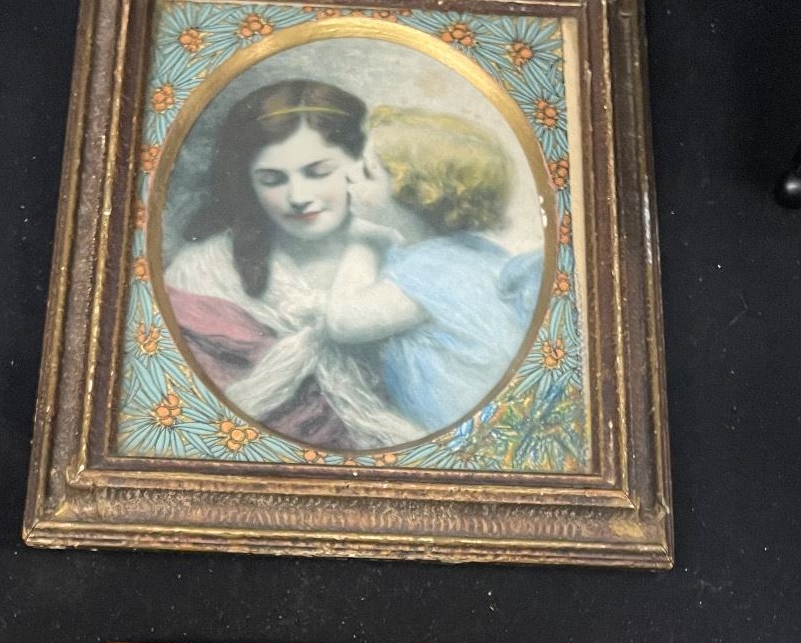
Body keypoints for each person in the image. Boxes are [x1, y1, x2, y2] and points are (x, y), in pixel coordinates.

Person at [164, 79, 418, 449]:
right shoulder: (202, 275)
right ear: (248, 184)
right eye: (272, 179)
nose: (298, 197)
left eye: (318, 172)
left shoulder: (406, 261)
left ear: (358, 165)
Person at [324, 106, 544, 434]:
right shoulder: (457, 253)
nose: (350, 173)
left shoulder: (437, 270)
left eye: (368, 171)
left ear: (413, 196)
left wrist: (361, 241)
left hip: (462, 429)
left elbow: (342, 322)